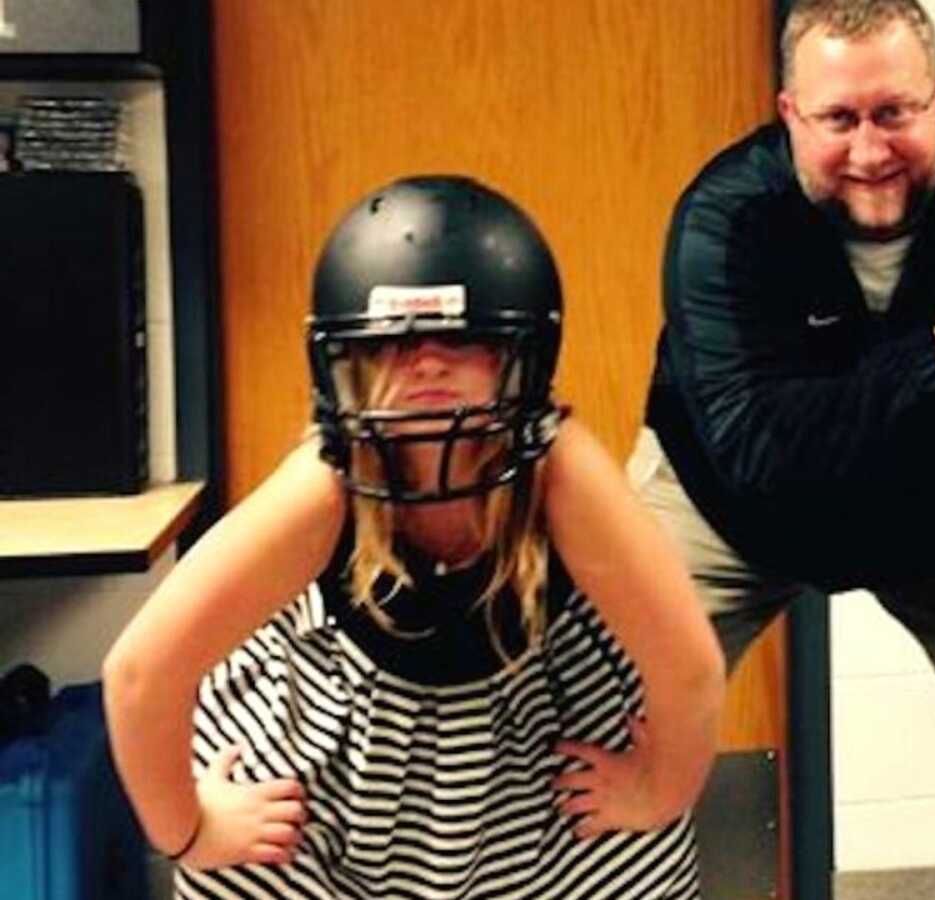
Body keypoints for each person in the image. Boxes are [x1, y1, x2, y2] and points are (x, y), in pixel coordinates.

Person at [102, 176, 725, 899]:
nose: (428, 362)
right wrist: (188, 829)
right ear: (349, 366)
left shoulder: (557, 469)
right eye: (396, 343)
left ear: (519, 356)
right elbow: (141, 674)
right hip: (337, 762)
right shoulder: (326, 482)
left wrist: (662, 792)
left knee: (623, 854)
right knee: (250, 855)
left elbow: (689, 665)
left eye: (462, 338)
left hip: (537, 748)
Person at [630, 1, 935, 896]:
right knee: (600, 699)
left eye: (895, 113)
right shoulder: (724, 217)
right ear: (788, 115)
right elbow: (763, 454)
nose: (870, 150)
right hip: (729, 508)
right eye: (838, 119)